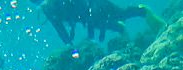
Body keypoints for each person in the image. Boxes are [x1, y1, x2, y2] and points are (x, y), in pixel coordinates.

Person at [31, 0, 162, 45]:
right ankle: (120, 29)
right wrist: (69, 45)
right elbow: (59, 29)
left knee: (120, 14)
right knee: (102, 24)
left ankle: (143, 11)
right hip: (87, 19)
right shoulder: (48, 10)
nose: (44, 3)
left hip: (95, 5)